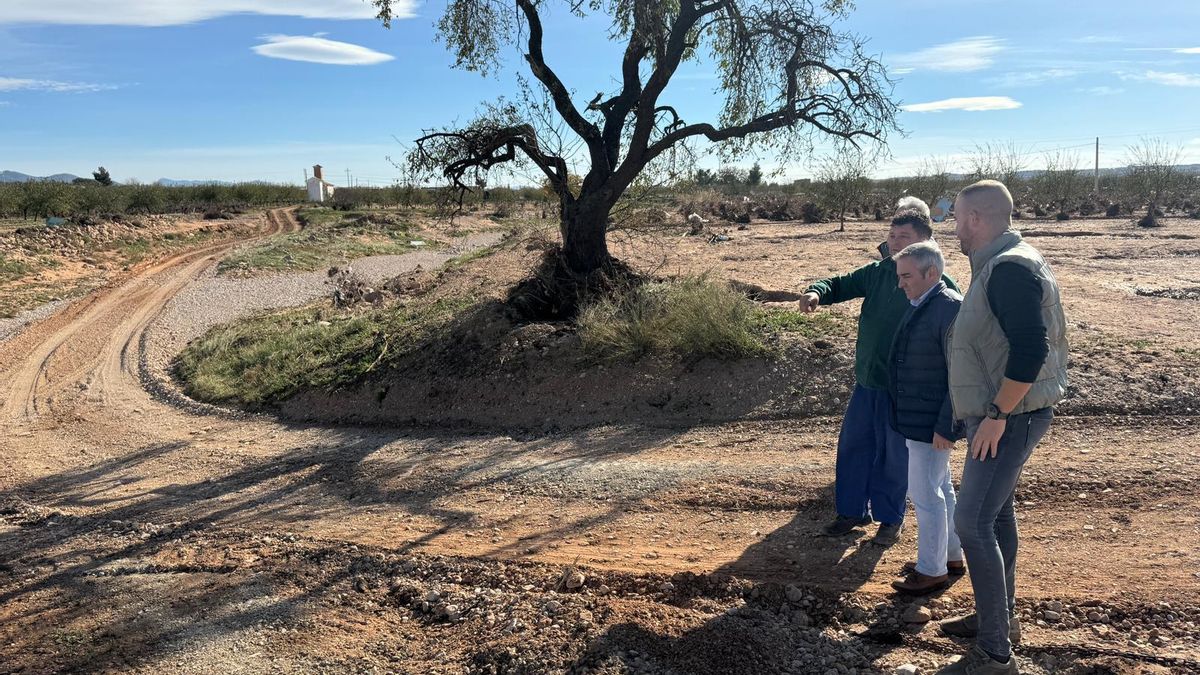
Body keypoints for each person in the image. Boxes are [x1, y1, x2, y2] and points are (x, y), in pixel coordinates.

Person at [936, 180, 1069, 675]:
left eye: (956, 217)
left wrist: (996, 415)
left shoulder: (1009, 267)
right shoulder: (1003, 261)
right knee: (997, 516)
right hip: (1009, 414)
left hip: (1009, 418)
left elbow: (1030, 349)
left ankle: (995, 654)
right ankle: (1001, 620)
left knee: (971, 522)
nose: (953, 227)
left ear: (976, 218)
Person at [801, 197, 959, 546]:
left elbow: (952, 345)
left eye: (903, 236)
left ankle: (890, 519)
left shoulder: (939, 284)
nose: (894, 242)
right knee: (855, 446)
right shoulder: (877, 273)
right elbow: (839, 284)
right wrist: (816, 292)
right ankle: (851, 512)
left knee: (894, 456)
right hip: (868, 381)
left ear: (924, 241)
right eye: (891, 234)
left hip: (903, 392)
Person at [885, 240, 964, 595]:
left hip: (931, 421)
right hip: (923, 418)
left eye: (906, 276)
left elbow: (959, 376)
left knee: (925, 493)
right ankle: (949, 555)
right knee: (940, 487)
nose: (901, 283)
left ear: (932, 273)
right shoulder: (926, 303)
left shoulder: (947, 309)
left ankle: (930, 570)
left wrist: (946, 425)